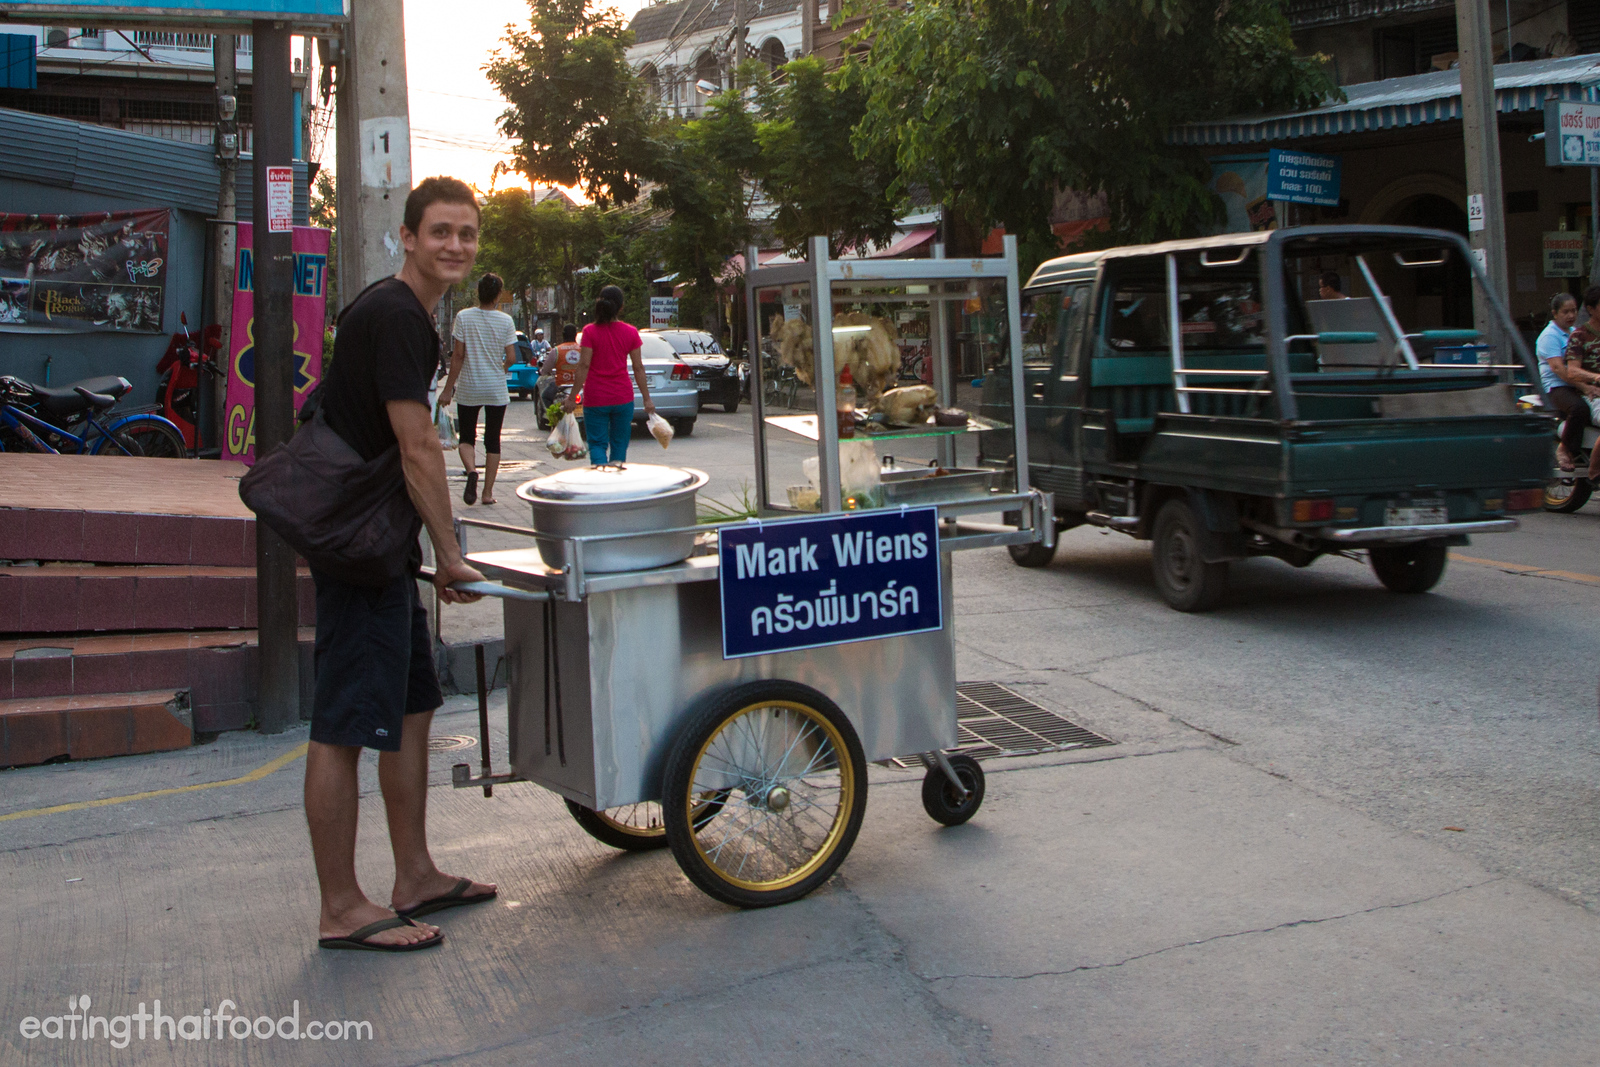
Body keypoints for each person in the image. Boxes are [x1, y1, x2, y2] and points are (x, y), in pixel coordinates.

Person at [307, 176, 495, 952]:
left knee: (413, 703)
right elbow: (416, 444)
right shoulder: (395, 316)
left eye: (467, 233)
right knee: (343, 726)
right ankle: (341, 906)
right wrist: (449, 553)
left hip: (382, 545)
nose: (455, 245)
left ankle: (413, 872)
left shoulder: (408, 314)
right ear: (409, 237)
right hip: (360, 551)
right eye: (440, 231)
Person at [439, 273, 517, 505]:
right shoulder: (506, 321)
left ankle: (472, 471)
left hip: (469, 386)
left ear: (478, 293)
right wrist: (501, 369)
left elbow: (458, 356)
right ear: (498, 295)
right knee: (493, 440)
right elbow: (511, 357)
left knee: (467, 437)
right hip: (495, 388)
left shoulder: (464, 317)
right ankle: (487, 493)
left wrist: (448, 389)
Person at [564, 285, 656, 464]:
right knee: (619, 444)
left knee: (597, 444)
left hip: (596, 397)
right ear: (621, 307)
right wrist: (647, 399)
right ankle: (616, 479)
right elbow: (638, 367)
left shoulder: (590, 331)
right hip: (622, 397)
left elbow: (584, 365)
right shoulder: (630, 332)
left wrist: (572, 397)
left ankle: (601, 479)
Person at [1538, 292, 1582, 471]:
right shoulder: (1550, 336)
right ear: (1555, 313)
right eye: (1566, 312)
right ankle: (1563, 449)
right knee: (1579, 408)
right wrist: (1584, 386)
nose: (1571, 315)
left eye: (1574, 311)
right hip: (1556, 387)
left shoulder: (1575, 332)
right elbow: (1558, 369)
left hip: (1575, 384)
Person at [1565, 285, 1600, 483]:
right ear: (1591, 309)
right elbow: (1572, 371)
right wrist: (1596, 378)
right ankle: (1594, 473)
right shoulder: (1579, 336)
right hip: (1593, 395)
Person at [540, 323, 581, 410]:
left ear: (563, 335)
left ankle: (554, 415)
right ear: (575, 335)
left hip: (561, 384)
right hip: (581, 384)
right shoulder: (582, 349)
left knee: (545, 397)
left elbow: (546, 370)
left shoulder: (557, 350)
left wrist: (543, 372)